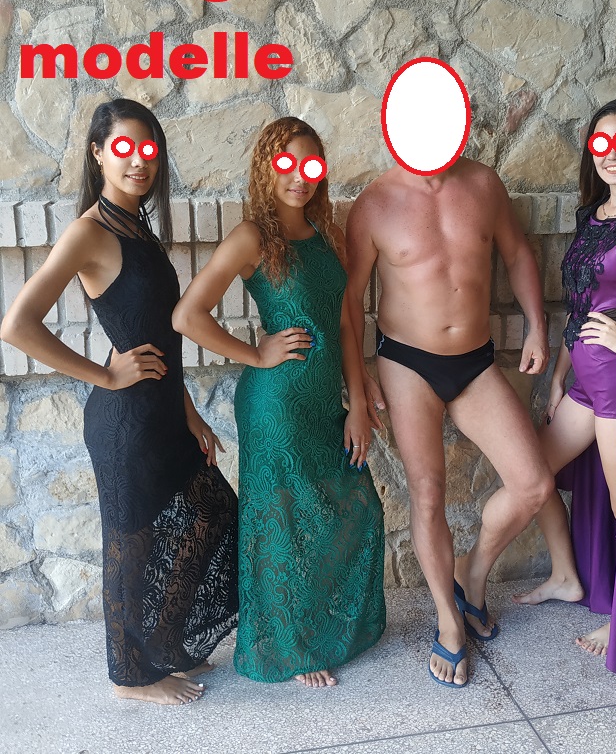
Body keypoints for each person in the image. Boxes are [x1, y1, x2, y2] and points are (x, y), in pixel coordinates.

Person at [0, 99, 238, 705]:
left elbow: (157, 334)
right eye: (124, 149)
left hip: (162, 414)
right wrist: (104, 376)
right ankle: (130, 677)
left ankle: (161, 644)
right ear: (98, 154)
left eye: (148, 150)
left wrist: (189, 413)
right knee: (129, 547)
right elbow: (17, 325)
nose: (139, 162)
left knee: (213, 511)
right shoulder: (90, 232)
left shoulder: (137, 227)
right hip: (125, 422)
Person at [172, 116, 386, 687]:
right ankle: (290, 650)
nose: (299, 177)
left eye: (311, 165)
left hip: (323, 403)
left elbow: (346, 321)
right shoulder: (252, 237)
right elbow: (187, 315)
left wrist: (357, 400)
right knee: (282, 526)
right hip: (277, 405)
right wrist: (255, 353)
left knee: (359, 507)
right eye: (287, 163)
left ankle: (322, 628)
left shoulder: (328, 232)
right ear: (268, 167)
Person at [345, 152, 554, 688]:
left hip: (476, 361)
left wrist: (537, 325)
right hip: (406, 362)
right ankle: (448, 619)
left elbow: (517, 252)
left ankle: (472, 574)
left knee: (533, 484)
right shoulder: (374, 204)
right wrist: (359, 378)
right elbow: (350, 302)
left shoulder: (483, 183)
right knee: (428, 493)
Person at [513, 98, 616, 674]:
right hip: (582, 383)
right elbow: (581, 308)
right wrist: (559, 377)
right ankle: (566, 576)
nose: (612, 154)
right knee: (532, 475)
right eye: (601, 143)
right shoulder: (594, 215)